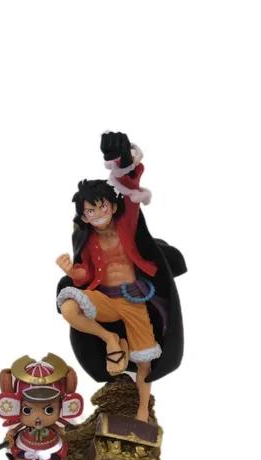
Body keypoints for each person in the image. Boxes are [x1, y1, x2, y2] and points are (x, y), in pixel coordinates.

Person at [56, 132, 186, 422]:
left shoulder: (126, 224)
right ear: (84, 217)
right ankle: (110, 338)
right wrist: (71, 271)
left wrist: (122, 159)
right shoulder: (86, 240)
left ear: (112, 206)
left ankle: (142, 409)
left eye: (102, 206)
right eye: (91, 211)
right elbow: (85, 275)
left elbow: (130, 187)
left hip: (134, 299)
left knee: (146, 361)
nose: (98, 213)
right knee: (69, 307)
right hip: (104, 299)